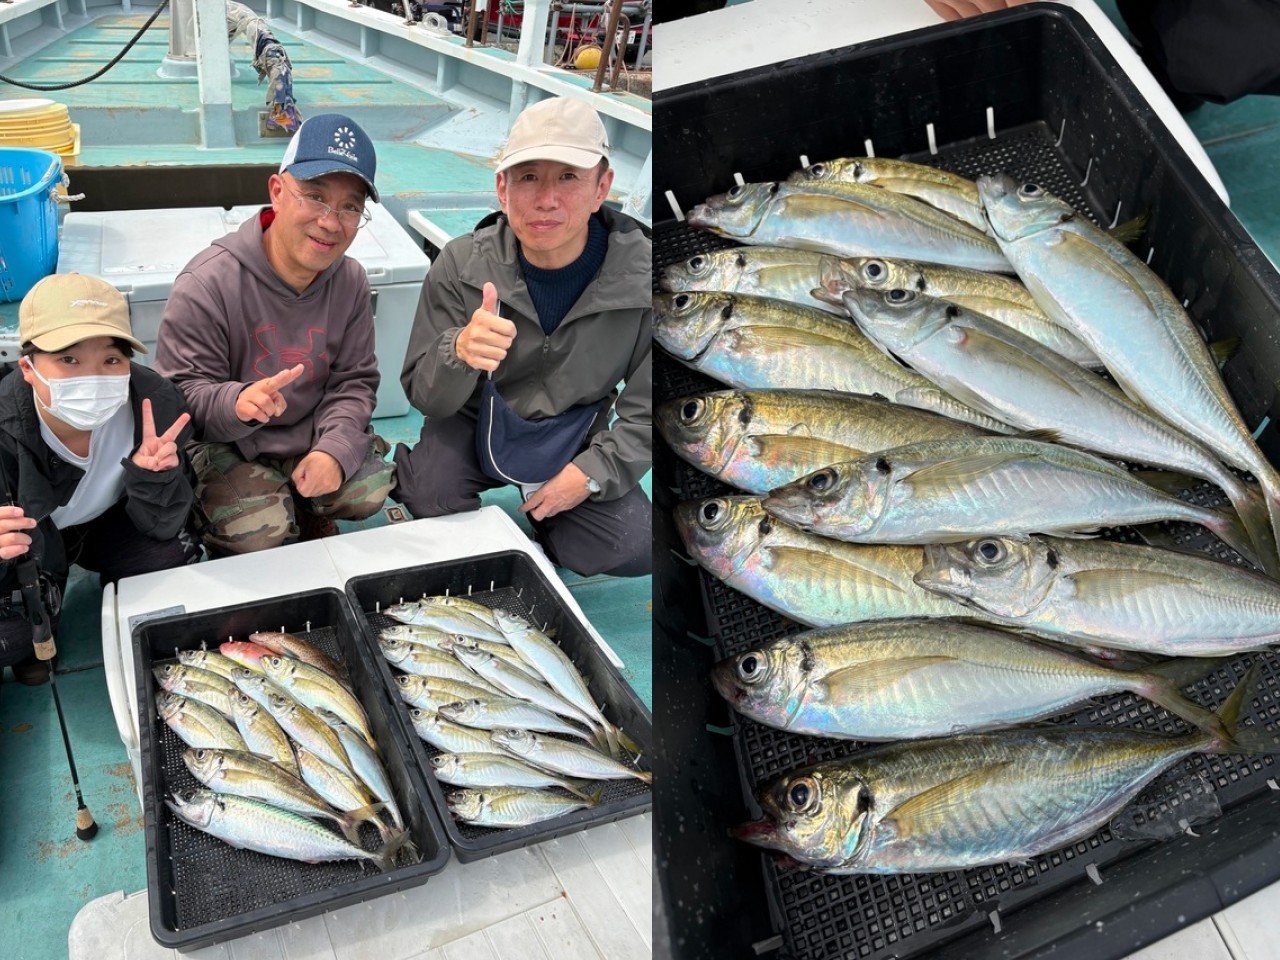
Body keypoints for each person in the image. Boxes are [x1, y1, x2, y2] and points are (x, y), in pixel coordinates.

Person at [393, 96, 652, 578]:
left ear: (602, 188)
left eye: (569, 177)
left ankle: (551, 517)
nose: (546, 199)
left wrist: (590, 475)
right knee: (430, 492)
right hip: (475, 420)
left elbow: (649, 412)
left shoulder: (645, 280)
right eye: (528, 177)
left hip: (574, 432)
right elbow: (427, 398)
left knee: (634, 545)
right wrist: (459, 352)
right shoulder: (459, 264)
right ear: (502, 189)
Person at [154, 113, 394, 556]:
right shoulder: (208, 282)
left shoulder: (350, 280)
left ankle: (309, 506)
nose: (330, 222)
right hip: (228, 441)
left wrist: (335, 451)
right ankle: (232, 511)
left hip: (307, 431)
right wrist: (235, 401)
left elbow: (354, 382)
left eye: (350, 207)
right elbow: (178, 396)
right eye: (315, 197)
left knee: (367, 489)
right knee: (257, 531)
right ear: (277, 192)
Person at [0, 274, 200, 685]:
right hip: (35, 549)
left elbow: (165, 524)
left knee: (168, 560)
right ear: (28, 368)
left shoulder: (156, 404)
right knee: (13, 637)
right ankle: (40, 623)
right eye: (69, 360)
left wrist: (155, 479)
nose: (93, 377)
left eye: (111, 360)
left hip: (111, 522)